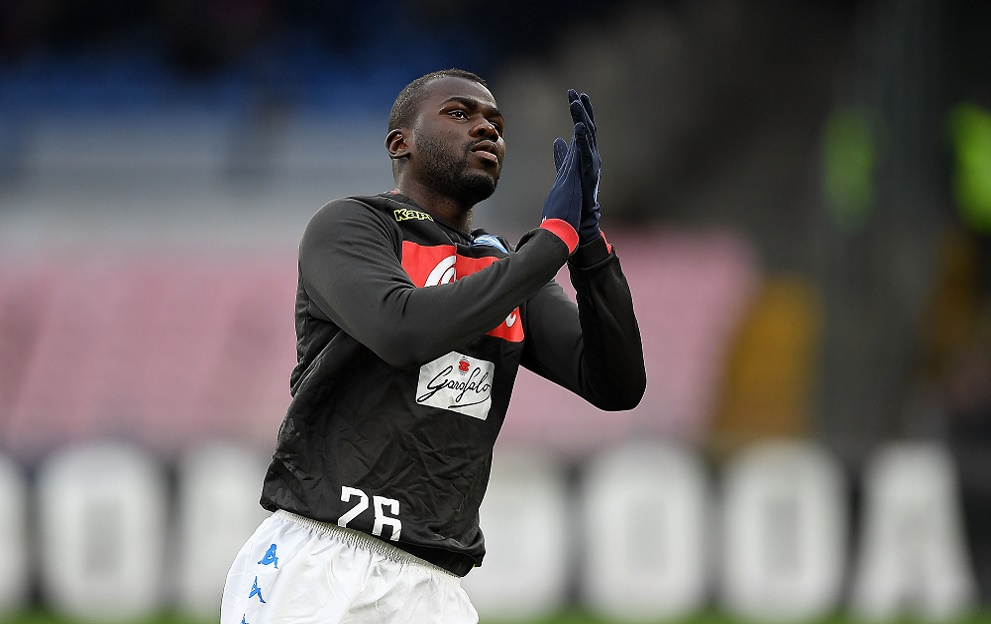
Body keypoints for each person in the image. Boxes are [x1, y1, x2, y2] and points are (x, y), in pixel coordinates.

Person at [220, 68, 646, 624]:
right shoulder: (352, 225)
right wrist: (551, 241)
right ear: (401, 143)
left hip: (434, 585)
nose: (487, 129)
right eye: (460, 114)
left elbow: (616, 384)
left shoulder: (504, 269)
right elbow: (402, 331)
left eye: (496, 123)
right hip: (320, 563)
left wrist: (587, 245)